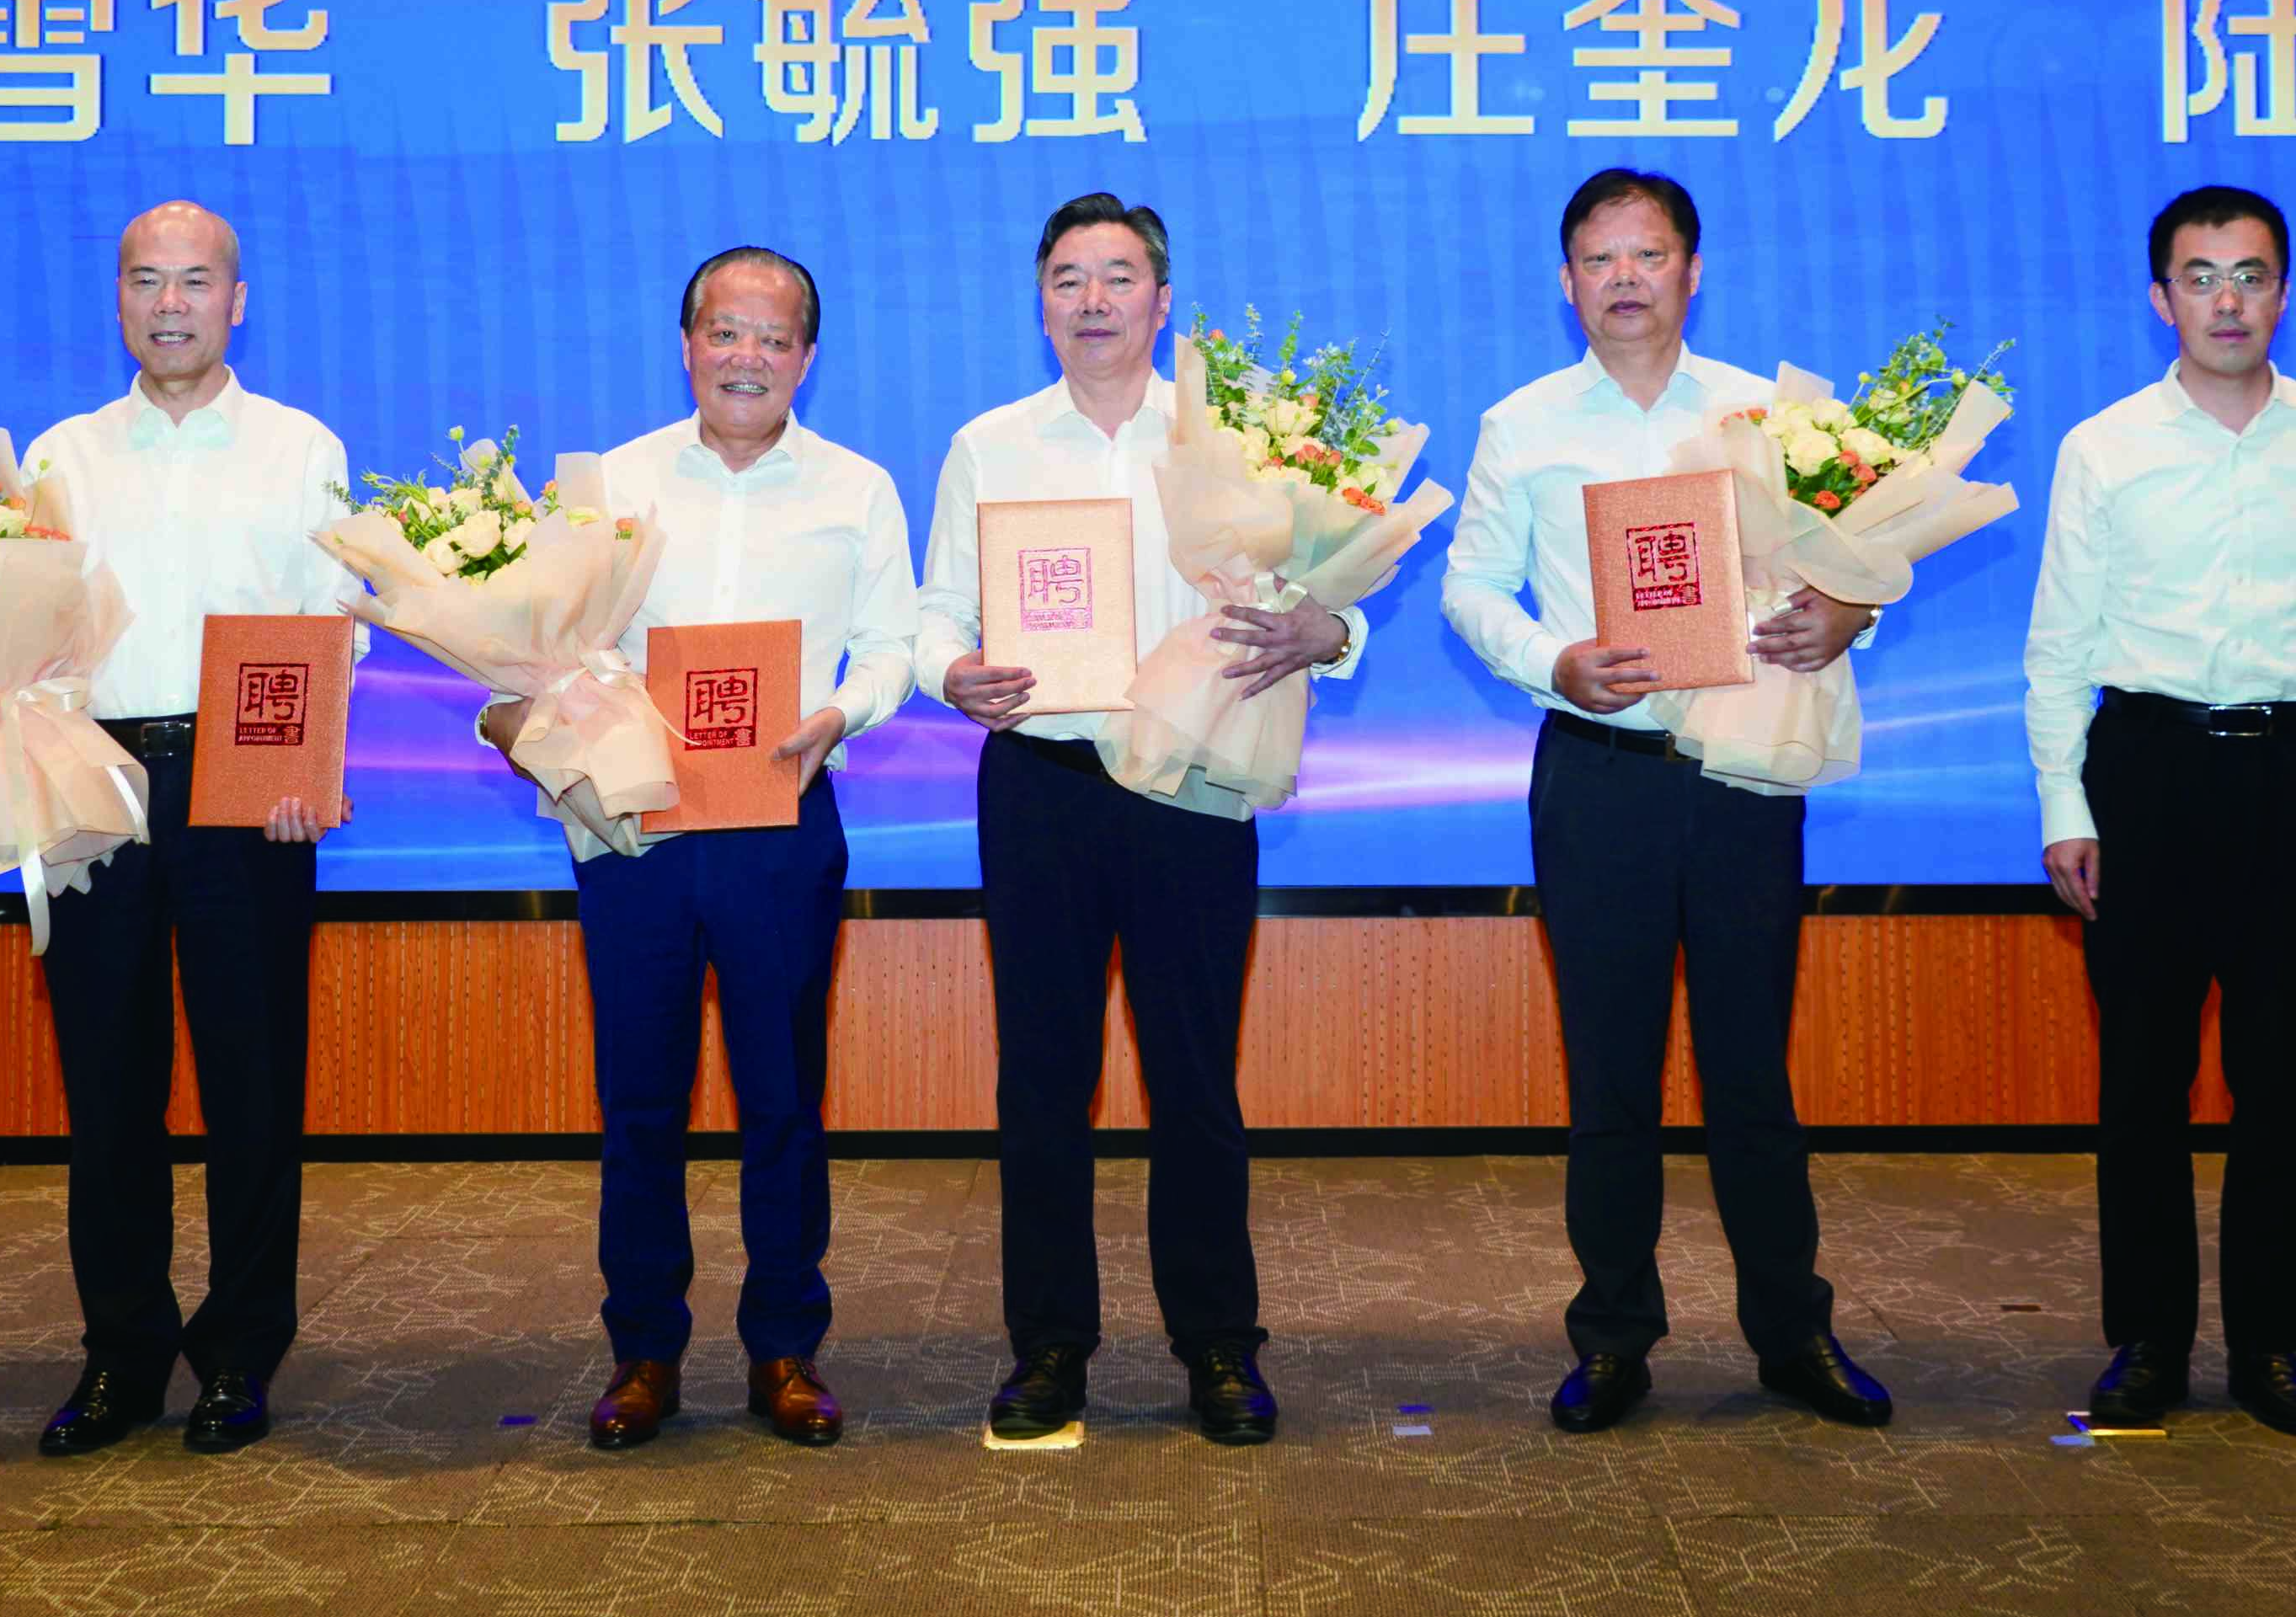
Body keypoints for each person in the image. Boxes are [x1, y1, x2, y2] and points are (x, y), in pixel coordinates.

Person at [1438, 168, 1893, 1435]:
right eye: (1598, 258)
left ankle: (1791, 1331)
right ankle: (1613, 1336)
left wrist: (1845, 611)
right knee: (1611, 1073)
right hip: (1597, 777)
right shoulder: (1521, 423)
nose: (1624, 278)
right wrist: (1552, 663)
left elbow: (1852, 563)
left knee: (1751, 1065)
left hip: (1739, 774)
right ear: (1565, 279)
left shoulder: (1766, 414)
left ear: (1692, 270)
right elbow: (1469, 586)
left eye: (1647, 255)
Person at [917, 191, 1360, 1451]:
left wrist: (1333, 632)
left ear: (1163, 303)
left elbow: (1319, 597)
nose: (1094, 299)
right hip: (1044, 782)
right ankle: (1049, 1344)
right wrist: (949, 671)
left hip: (1191, 786)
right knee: (1043, 1079)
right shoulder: (989, 443)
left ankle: (1218, 1342)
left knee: (1193, 1079)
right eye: (1068, 277)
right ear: (1040, 301)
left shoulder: (1240, 439)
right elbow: (936, 610)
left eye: (1118, 277)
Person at [507, 248, 918, 1453]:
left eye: (773, 337)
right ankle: (643, 1349)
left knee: (781, 1093)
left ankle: (784, 1345)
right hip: (634, 823)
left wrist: (845, 707)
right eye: (724, 333)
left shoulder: (858, 487)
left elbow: (893, 640)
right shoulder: (609, 481)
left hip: (783, 815)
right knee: (639, 1094)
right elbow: (545, 633)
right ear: (685, 343)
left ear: (806, 354)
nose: (747, 356)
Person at [2026, 183, 2296, 1440]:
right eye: (2198, 276)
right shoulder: (2103, 445)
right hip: (2141, 770)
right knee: (2140, 1081)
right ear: (2159, 297)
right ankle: (2145, 1341)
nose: (2226, 299)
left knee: (2276, 1084)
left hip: (2291, 777)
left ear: (2283, 290)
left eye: (2248, 274)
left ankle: (2268, 1345)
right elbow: (2053, 651)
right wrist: (2062, 805)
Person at [14, 201, 357, 1457]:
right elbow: (15, 631)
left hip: (244, 786)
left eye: (196, 280)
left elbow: (333, 623)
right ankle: (121, 1352)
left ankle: (239, 1351)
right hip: (93, 776)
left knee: (252, 1086)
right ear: (118, 298)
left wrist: (301, 763)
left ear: (238, 297)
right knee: (108, 1089)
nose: (171, 303)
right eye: (146, 280)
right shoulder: (59, 457)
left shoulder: (296, 446)